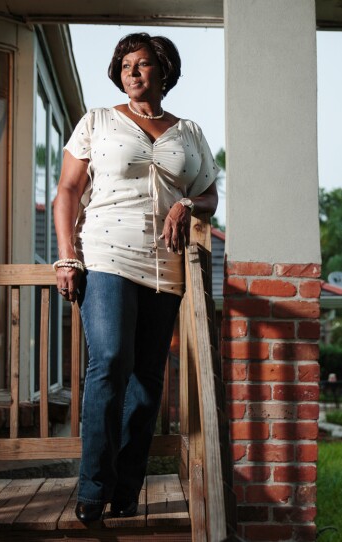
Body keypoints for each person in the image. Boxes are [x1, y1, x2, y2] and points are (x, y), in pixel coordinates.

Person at [52, 32, 219, 523]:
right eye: (126, 64)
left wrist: (187, 204)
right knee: (109, 360)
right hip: (106, 255)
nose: (133, 71)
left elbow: (209, 193)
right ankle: (91, 489)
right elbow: (67, 190)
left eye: (143, 64)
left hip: (166, 266)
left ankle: (126, 487)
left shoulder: (187, 132)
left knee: (148, 379)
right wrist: (66, 257)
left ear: (163, 71)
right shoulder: (98, 122)